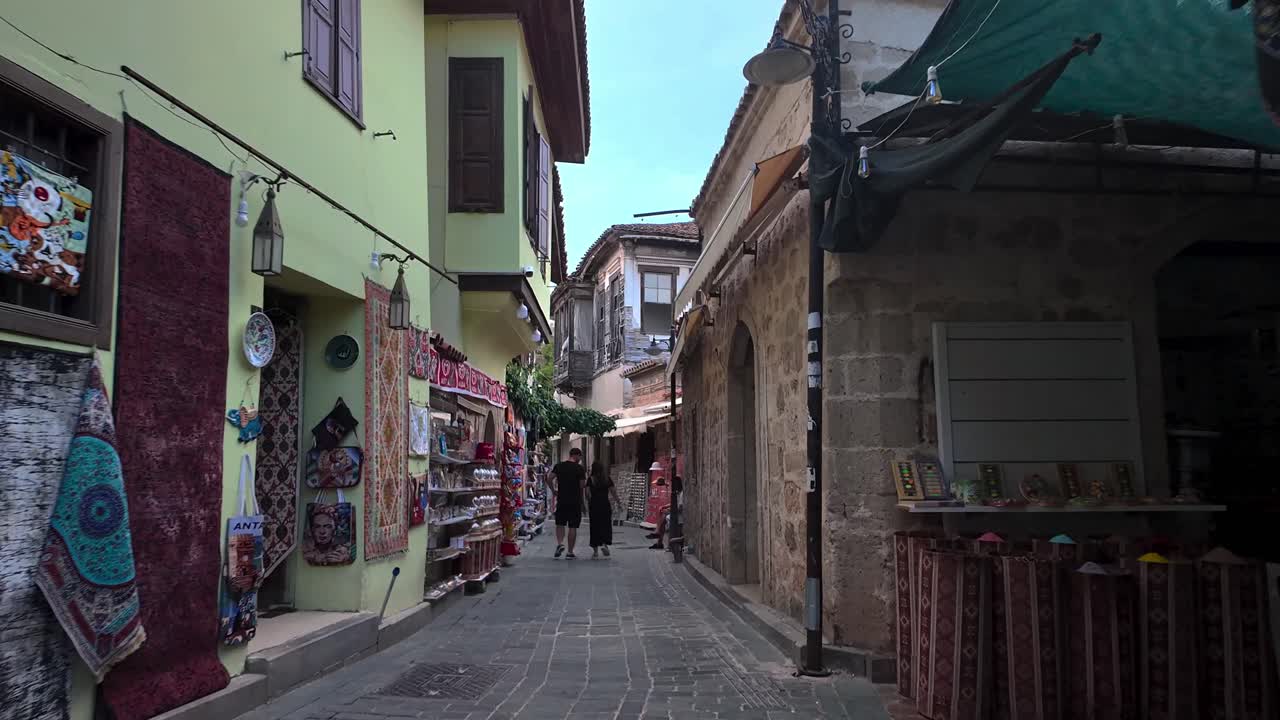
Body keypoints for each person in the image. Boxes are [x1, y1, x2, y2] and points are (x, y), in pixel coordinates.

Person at [549, 447, 586, 558]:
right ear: (576, 455)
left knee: (560, 523)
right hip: (575, 500)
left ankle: (560, 543)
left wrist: (553, 490)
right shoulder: (579, 469)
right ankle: (570, 552)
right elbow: (582, 485)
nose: (580, 459)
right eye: (580, 457)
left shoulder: (559, 466)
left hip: (562, 499)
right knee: (572, 526)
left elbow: (549, 478)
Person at [586, 461, 621, 558]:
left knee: (594, 527)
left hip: (594, 506)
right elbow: (613, 492)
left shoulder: (590, 479)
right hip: (605, 505)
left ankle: (595, 552)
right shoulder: (607, 479)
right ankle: (605, 545)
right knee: (605, 525)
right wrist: (619, 503)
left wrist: (588, 501)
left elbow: (587, 494)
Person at [648, 475, 682, 550]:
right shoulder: (677, 493)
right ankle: (659, 540)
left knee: (664, 515)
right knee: (662, 514)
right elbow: (673, 503)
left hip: (679, 514)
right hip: (676, 512)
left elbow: (679, 507)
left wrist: (669, 509)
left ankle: (658, 535)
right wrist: (664, 507)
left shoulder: (681, 494)